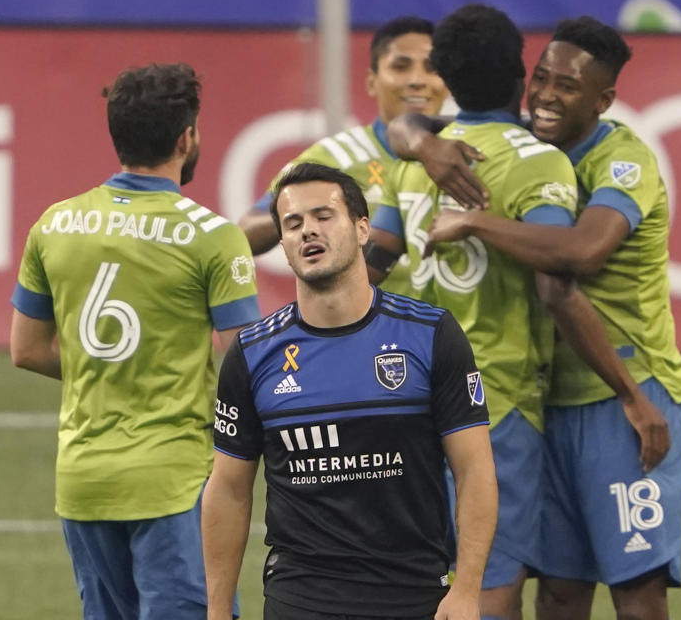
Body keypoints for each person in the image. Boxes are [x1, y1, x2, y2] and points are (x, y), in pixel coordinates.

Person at [365, 5, 667, 620]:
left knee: (419, 577)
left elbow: (374, 263)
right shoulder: (538, 162)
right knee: (489, 581)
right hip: (494, 403)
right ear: (518, 78)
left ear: (446, 77)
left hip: (406, 399)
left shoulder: (414, 162)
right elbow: (559, 276)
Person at [9, 63, 260, 620]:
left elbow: (26, 349)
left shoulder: (54, 224)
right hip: (173, 481)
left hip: (83, 481)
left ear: (116, 136)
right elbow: (245, 360)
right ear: (186, 137)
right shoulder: (214, 237)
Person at [202, 162, 498, 620]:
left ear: (363, 229)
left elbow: (475, 470)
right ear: (282, 242)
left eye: (324, 216)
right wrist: (218, 610)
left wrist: (467, 589)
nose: (308, 232)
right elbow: (228, 490)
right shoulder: (252, 354)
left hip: (415, 592)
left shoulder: (431, 334)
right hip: (301, 597)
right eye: (293, 223)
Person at [238, 15, 485, 295]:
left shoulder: (471, 153)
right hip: (375, 333)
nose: (417, 80)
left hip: (456, 333)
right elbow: (244, 235)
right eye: (401, 67)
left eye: (431, 68)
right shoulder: (336, 158)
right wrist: (312, 209)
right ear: (371, 81)